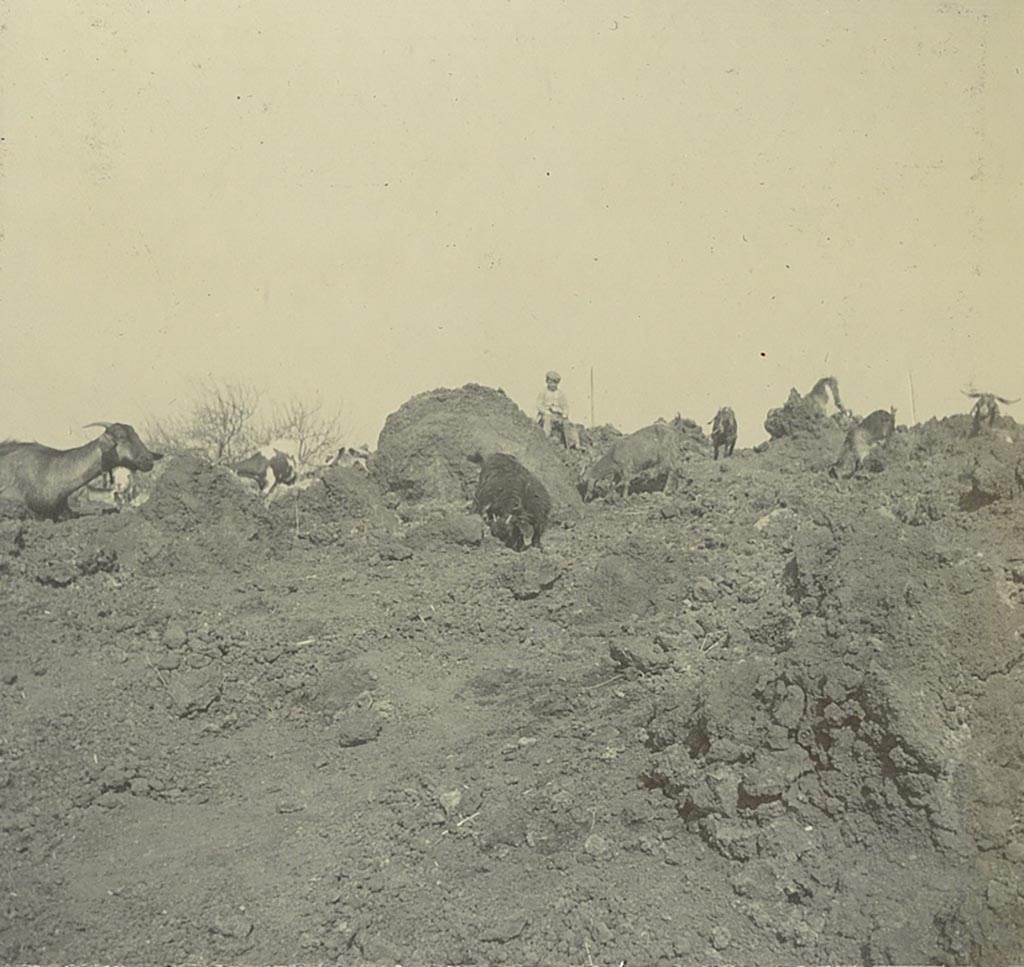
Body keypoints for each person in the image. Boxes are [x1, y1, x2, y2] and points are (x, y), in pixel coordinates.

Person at [536, 370, 580, 449]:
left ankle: (574, 443)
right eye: (551, 382)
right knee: (547, 421)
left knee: (568, 424)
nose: (553, 385)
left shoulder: (560, 394)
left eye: (555, 383)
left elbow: (565, 406)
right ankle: (546, 439)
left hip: (558, 415)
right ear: (547, 382)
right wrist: (545, 411)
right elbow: (539, 405)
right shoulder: (543, 392)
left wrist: (564, 414)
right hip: (547, 414)